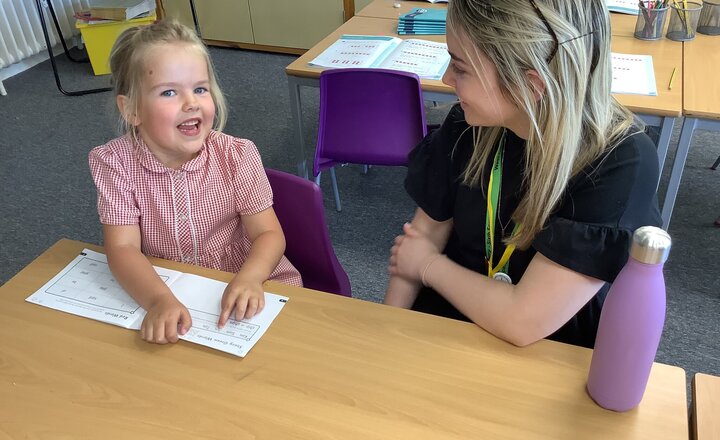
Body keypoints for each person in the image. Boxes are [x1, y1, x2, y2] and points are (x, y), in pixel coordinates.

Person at [384, 0, 662, 348]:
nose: (446, 79)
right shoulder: (469, 124)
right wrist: (388, 334)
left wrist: (428, 267)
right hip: (448, 323)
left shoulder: (620, 160)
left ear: (530, 85)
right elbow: (421, 237)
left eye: (461, 68)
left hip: (546, 348)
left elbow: (523, 320)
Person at [88, 20, 302, 345]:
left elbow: (269, 234)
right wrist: (158, 300)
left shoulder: (237, 155)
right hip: (169, 288)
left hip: (248, 282)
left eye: (200, 88)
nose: (191, 103)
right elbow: (122, 247)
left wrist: (250, 278)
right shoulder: (114, 163)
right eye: (169, 92)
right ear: (131, 109)